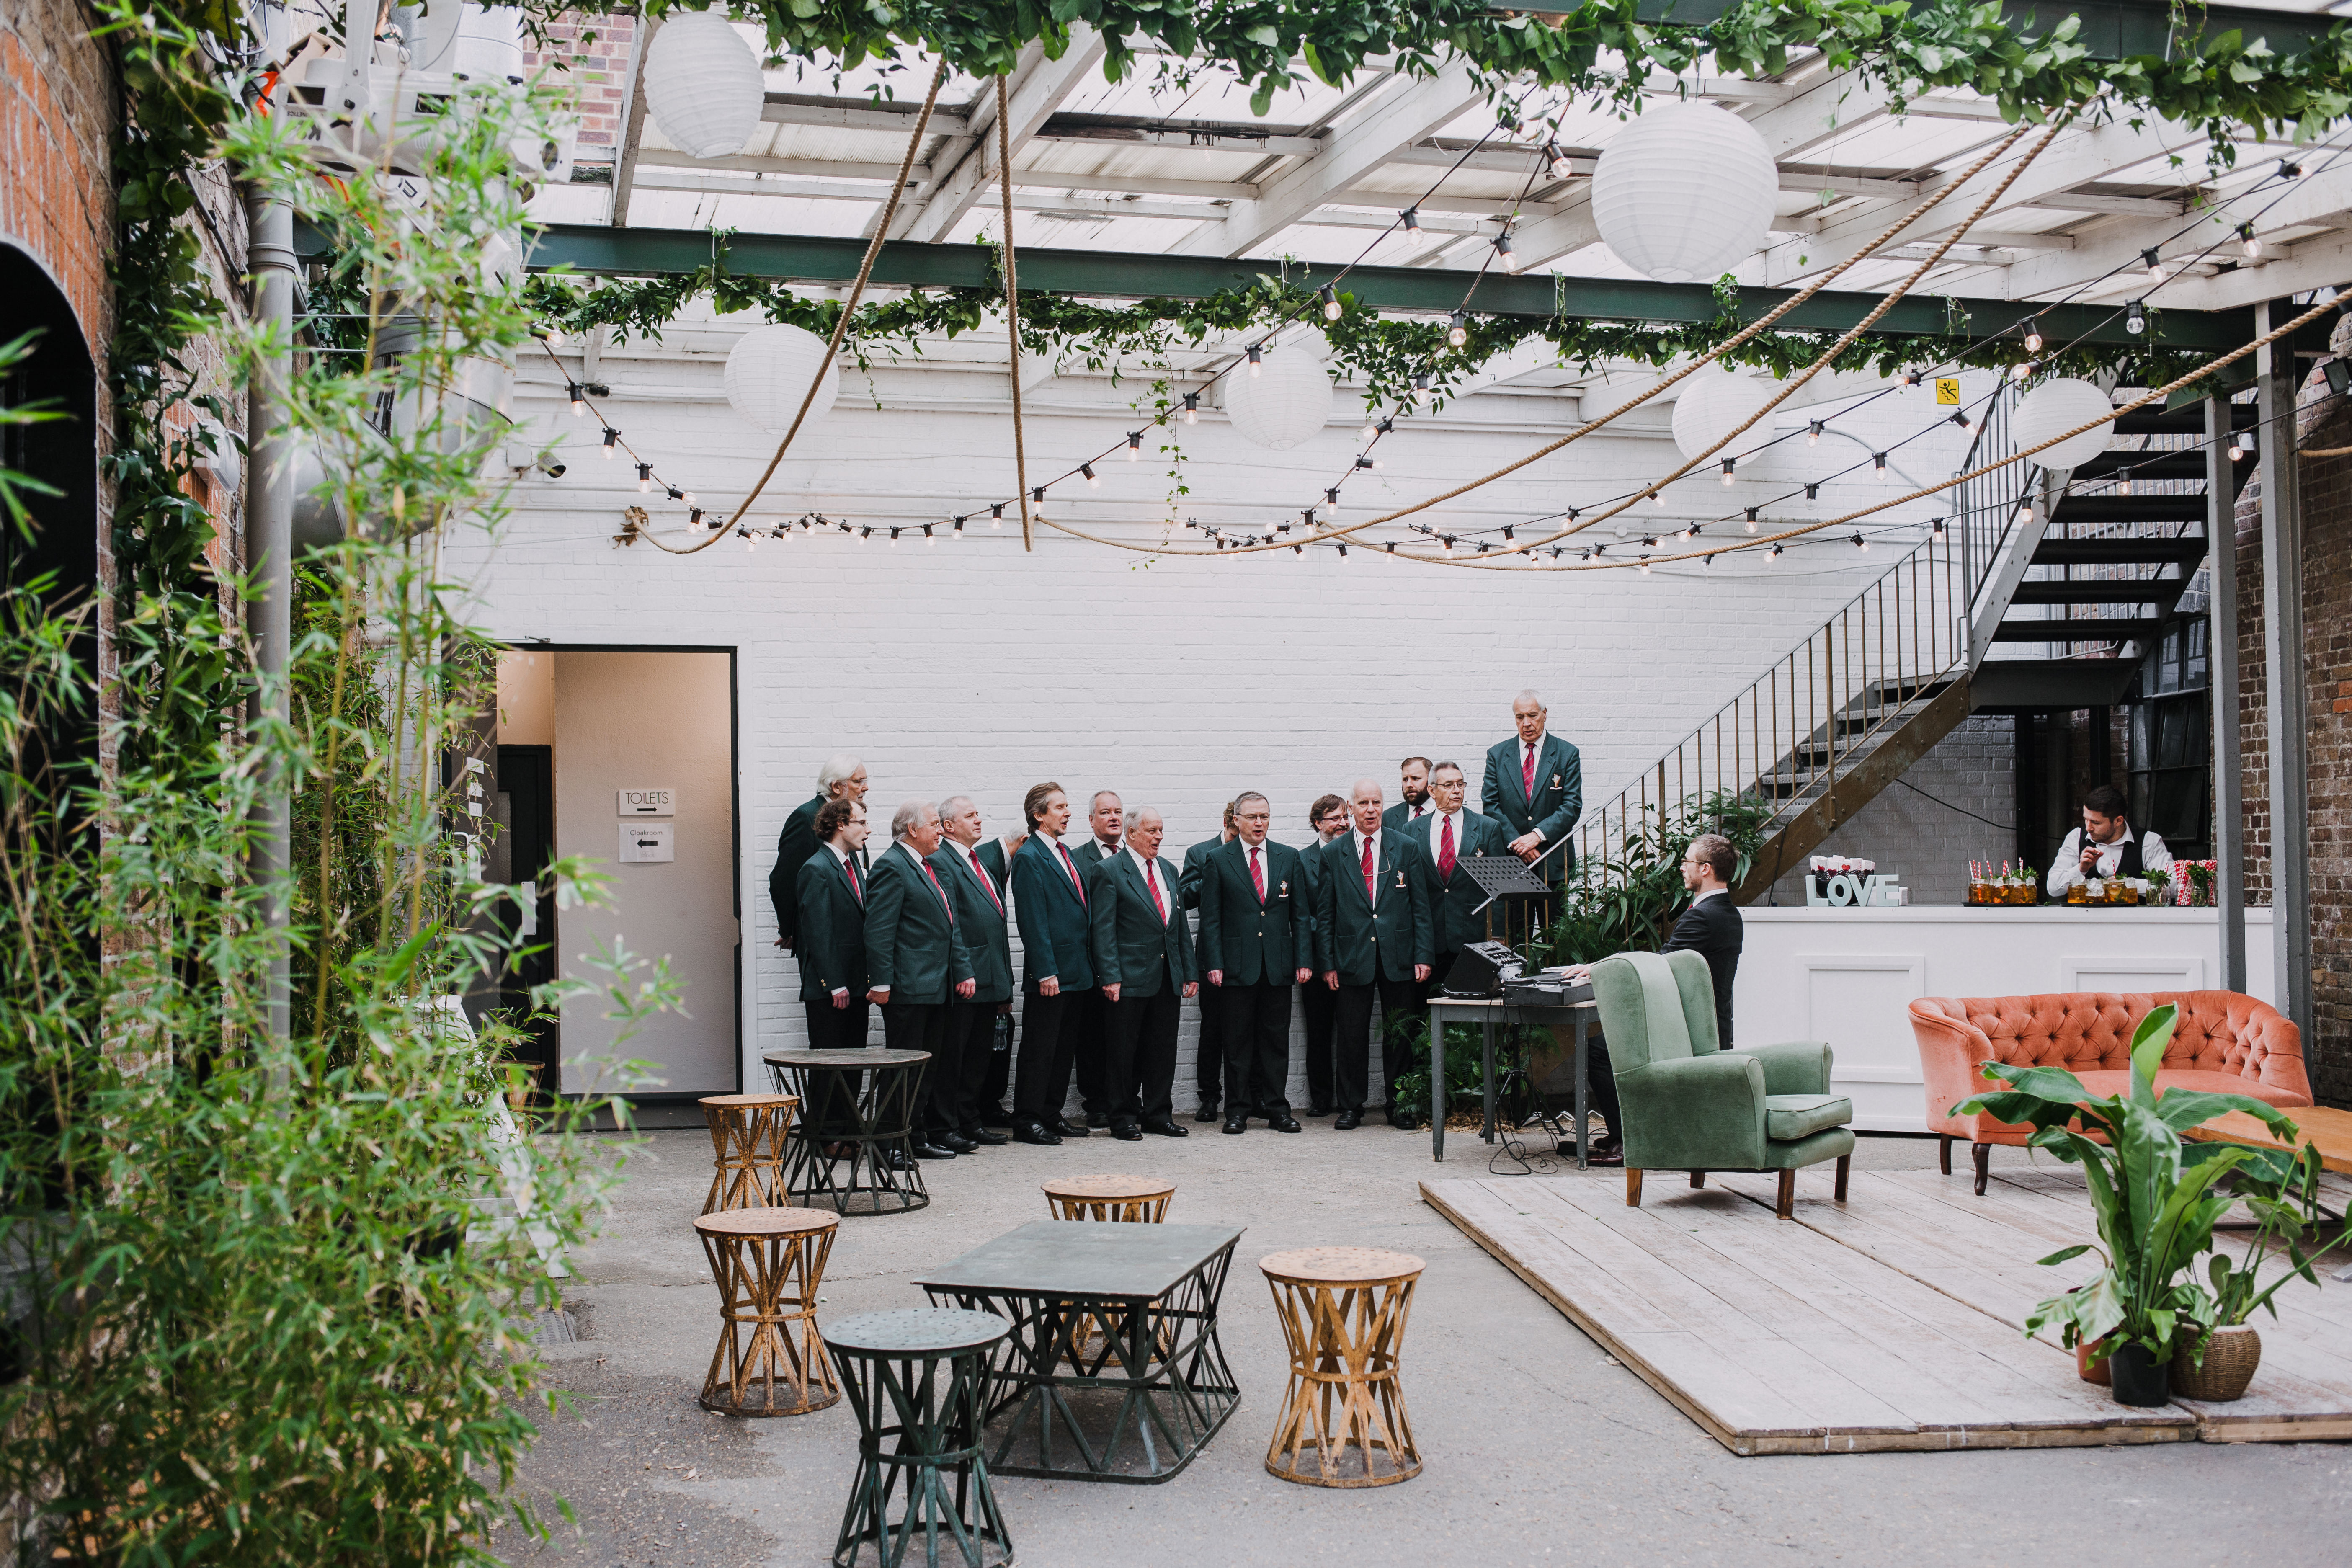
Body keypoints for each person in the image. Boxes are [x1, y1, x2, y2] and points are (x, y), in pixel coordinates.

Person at [1315, 779, 1433, 1129]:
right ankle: (1352, 1106)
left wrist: (1423, 955)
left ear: (1384, 806)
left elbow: (1420, 908)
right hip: (1351, 956)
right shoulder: (1334, 854)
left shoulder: (1406, 846)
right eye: (1364, 803)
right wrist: (1327, 962)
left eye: (1377, 803)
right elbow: (1326, 913)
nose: (1371, 810)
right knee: (1352, 1034)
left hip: (1399, 953)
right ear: (1351, 809)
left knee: (1399, 1033)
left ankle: (1400, 1105)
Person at [865, 801, 977, 1161]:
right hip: (909, 990)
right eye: (934, 825)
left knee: (926, 1069)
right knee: (903, 1070)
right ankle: (887, 1143)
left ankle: (914, 1136)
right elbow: (880, 931)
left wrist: (961, 971)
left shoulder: (929, 867)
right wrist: (881, 983)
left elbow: (949, 924)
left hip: (937, 987)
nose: (941, 831)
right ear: (912, 830)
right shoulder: (891, 866)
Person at [1197, 792, 1312, 1136]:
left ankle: (1278, 1109)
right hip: (1236, 966)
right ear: (1237, 820)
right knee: (1237, 1043)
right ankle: (1237, 1111)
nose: (1259, 823)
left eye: (1264, 816)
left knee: (1276, 1041)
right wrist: (1214, 962)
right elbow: (1211, 918)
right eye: (1252, 817)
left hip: (1277, 966)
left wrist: (1304, 959)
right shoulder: (1218, 860)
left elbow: (1301, 915)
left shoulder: (1288, 857)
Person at [1089, 807, 1198, 1140]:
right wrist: (1110, 976)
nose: (1159, 837)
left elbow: (1177, 927)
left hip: (1167, 976)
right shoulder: (1108, 871)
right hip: (1128, 978)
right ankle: (1121, 1117)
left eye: (1161, 831)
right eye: (1152, 831)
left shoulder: (1167, 869)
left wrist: (1188, 971)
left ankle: (1158, 1114)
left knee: (1162, 1049)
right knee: (1123, 1051)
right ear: (1131, 833)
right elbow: (1103, 930)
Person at [1009, 782, 1095, 1146]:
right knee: (1040, 1049)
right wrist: (1046, 970)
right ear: (1038, 815)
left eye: (1067, 806)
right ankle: (1028, 1119)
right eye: (1059, 807)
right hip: (1052, 973)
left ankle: (1050, 1112)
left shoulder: (1065, 853)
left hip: (1077, 970)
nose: (1068, 812)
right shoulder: (1030, 858)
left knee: (1064, 1049)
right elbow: (1033, 919)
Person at [930, 796, 1017, 1149]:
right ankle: (945, 1125)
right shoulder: (941, 861)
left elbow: (996, 923)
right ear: (948, 826)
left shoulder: (978, 861)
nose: (979, 820)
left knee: (979, 1056)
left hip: (990, 978)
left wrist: (1005, 982)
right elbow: (951, 925)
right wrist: (962, 971)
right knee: (955, 1057)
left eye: (979, 814)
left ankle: (970, 1120)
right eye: (970, 816)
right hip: (965, 979)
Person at [1409, 761, 1509, 992]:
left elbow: (1500, 888)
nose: (1457, 790)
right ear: (1432, 790)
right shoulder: (1412, 830)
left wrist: (1497, 937)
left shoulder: (1488, 828)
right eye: (1449, 785)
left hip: (1473, 936)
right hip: (1430, 941)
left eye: (1461, 784)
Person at [794, 797, 872, 1052]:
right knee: (828, 1070)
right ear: (841, 824)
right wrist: (836, 984)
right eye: (861, 823)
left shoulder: (855, 868)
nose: (868, 830)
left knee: (853, 1064)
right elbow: (818, 933)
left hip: (856, 986)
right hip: (832, 991)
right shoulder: (816, 869)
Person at [1481, 691, 1582, 886]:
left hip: (1553, 862)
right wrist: (1519, 845)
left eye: (1532, 716)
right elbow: (1491, 806)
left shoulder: (1567, 754)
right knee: (1515, 919)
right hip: (1511, 863)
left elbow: (1572, 806)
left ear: (1545, 714)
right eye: (1520, 717)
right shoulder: (1497, 755)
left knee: (1555, 919)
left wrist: (1537, 836)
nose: (1526, 723)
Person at [1178, 800, 1239, 1122]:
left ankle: (1247, 1096)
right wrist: (1216, 875)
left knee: (1246, 1030)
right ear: (1231, 821)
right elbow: (1183, 896)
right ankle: (1209, 1098)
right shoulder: (1201, 853)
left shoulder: (1256, 851)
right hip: (1213, 953)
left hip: (1247, 953)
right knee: (1212, 1030)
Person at [1068, 791, 1126, 1127]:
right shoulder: (1078, 859)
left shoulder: (1134, 856)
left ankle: (1124, 1097)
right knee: (1092, 1037)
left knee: (1124, 1036)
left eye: (1119, 811)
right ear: (1092, 820)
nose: (1114, 818)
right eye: (1106, 812)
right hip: (1092, 962)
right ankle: (1097, 1103)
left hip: (1131, 961)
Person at [771, 754, 867, 951]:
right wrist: (790, 931)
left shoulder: (853, 816)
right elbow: (785, 879)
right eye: (859, 781)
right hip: (824, 941)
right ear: (836, 787)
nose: (865, 787)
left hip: (854, 939)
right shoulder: (806, 818)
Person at [1295, 793, 1350, 1115]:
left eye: (1345, 817)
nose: (1343, 823)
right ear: (1318, 823)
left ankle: (1347, 1099)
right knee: (1318, 1033)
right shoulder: (1302, 861)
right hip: (1316, 962)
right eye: (1335, 819)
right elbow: (1301, 914)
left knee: (1350, 1032)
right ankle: (1320, 1099)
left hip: (1352, 958)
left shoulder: (1357, 853)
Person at [1663, 833, 1743, 1050]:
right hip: (1719, 1030)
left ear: (1705, 869)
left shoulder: (1701, 917)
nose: (1682, 868)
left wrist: (1603, 966)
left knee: (1598, 1054)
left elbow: (1662, 964)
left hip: (1694, 1034)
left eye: (1687, 861)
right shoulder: (1731, 914)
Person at [2045, 783, 2174, 898]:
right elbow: (2053, 888)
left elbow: (2175, 885)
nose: (2088, 827)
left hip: (2134, 922)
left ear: (2118, 821)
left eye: (2096, 822)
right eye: (2086, 819)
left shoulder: (2148, 841)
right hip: (2087, 922)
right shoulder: (2076, 838)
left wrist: (2128, 885)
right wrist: (2080, 869)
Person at [1381, 757, 1434, 833]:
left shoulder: (1445, 813)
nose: (1409, 785)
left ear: (1431, 780)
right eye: (1405, 780)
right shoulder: (1389, 817)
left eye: (1415, 779)